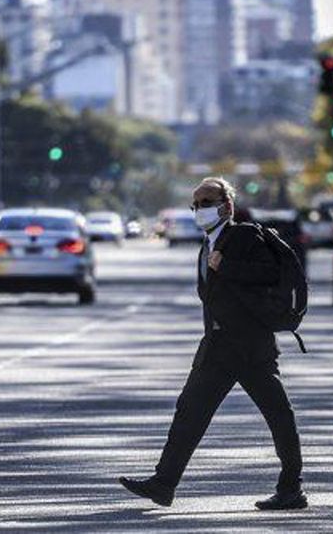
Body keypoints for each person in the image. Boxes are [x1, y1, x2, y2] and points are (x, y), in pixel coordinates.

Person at [119, 177, 306, 510]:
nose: (200, 210)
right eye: (196, 204)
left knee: (279, 415)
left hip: (249, 346)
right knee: (189, 412)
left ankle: (291, 489)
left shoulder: (245, 235)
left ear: (227, 205)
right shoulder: (207, 244)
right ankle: (164, 484)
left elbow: (268, 274)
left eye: (207, 202)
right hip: (219, 345)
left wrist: (228, 266)